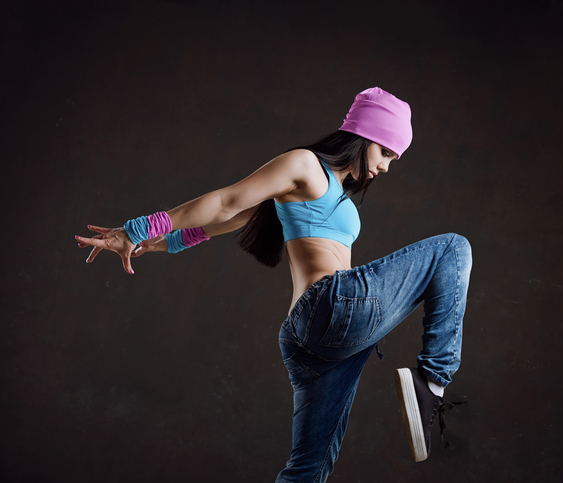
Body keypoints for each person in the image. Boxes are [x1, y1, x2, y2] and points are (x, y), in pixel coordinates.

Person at [76, 87, 472, 482]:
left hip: (316, 345)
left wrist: (155, 244)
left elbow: (217, 225)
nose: (386, 167)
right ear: (366, 135)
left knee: (309, 470)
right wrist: (139, 228)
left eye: (394, 159)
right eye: (386, 152)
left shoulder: (336, 196)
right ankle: (432, 383)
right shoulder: (304, 165)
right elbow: (227, 203)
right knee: (453, 249)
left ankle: (426, 387)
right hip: (329, 309)